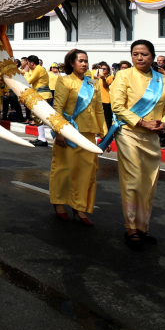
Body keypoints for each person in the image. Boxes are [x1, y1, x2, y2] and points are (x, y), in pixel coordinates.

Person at [110, 39, 165, 251]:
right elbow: (117, 107)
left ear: (152, 56)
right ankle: (130, 228)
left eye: (144, 54)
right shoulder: (123, 75)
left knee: (149, 181)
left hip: (152, 136)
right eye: (135, 54)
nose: (139, 58)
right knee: (133, 178)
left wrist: (164, 124)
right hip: (129, 132)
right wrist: (140, 121)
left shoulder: (161, 80)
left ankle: (142, 227)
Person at [50, 49, 106, 225]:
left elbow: (99, 110)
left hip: (88, 135)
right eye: (80, 60)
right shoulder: (64, 81)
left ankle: (79, 206)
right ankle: (59, 202)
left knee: (86, 172)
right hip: (69, 133)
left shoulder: (93, 84)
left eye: (86, 61)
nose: (84, 64)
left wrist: (104, 135)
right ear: (72, 63)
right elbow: (57, 107)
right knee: (64, 169)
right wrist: (58, 131)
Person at [25, 55, 51, 148]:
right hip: (41, 94)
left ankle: (43, 139)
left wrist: (26, 72)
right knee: (37, 115)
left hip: (42, 94)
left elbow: (30, 80)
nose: (27, 65)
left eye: (27, 63)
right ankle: (41, 138)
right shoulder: (38, 69)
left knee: (39, 115)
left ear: (32, 63)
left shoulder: (38, 69)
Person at [94, 62, 114, 130]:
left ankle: (108, 131)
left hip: (106, 100)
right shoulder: (98, 78)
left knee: (107, 117)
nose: (102, 70)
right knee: (99, 117)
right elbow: (93, 78)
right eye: (101, 69)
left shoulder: (110, 77)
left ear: (108, 71)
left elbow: (105, 86)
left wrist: (103, 79)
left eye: (104, 69)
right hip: (99, 100)